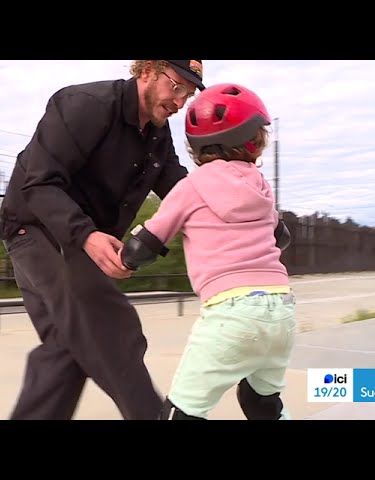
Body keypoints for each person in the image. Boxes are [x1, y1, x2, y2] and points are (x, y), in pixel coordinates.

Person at [0, 60, 206, 420]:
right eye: (176, 86)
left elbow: (181, 191)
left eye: (188, 93)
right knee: (112, 326)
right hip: (38, 229)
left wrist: (238, 214)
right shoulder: (86, 105)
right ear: (146, 71)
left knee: (69, 347)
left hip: (68, 240)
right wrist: (88, 236)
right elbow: (39, 183)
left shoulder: (156, 135)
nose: (180, 102)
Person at [120, 82, 296, 420]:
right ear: (254, 142)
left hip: (231, 314)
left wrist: (125, 258)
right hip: (281, 311)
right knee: (262, 404)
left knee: (181, 413)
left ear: (196, 146)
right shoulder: (261, 187)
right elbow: (281, 237)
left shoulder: (191, 187)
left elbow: (146, 244)